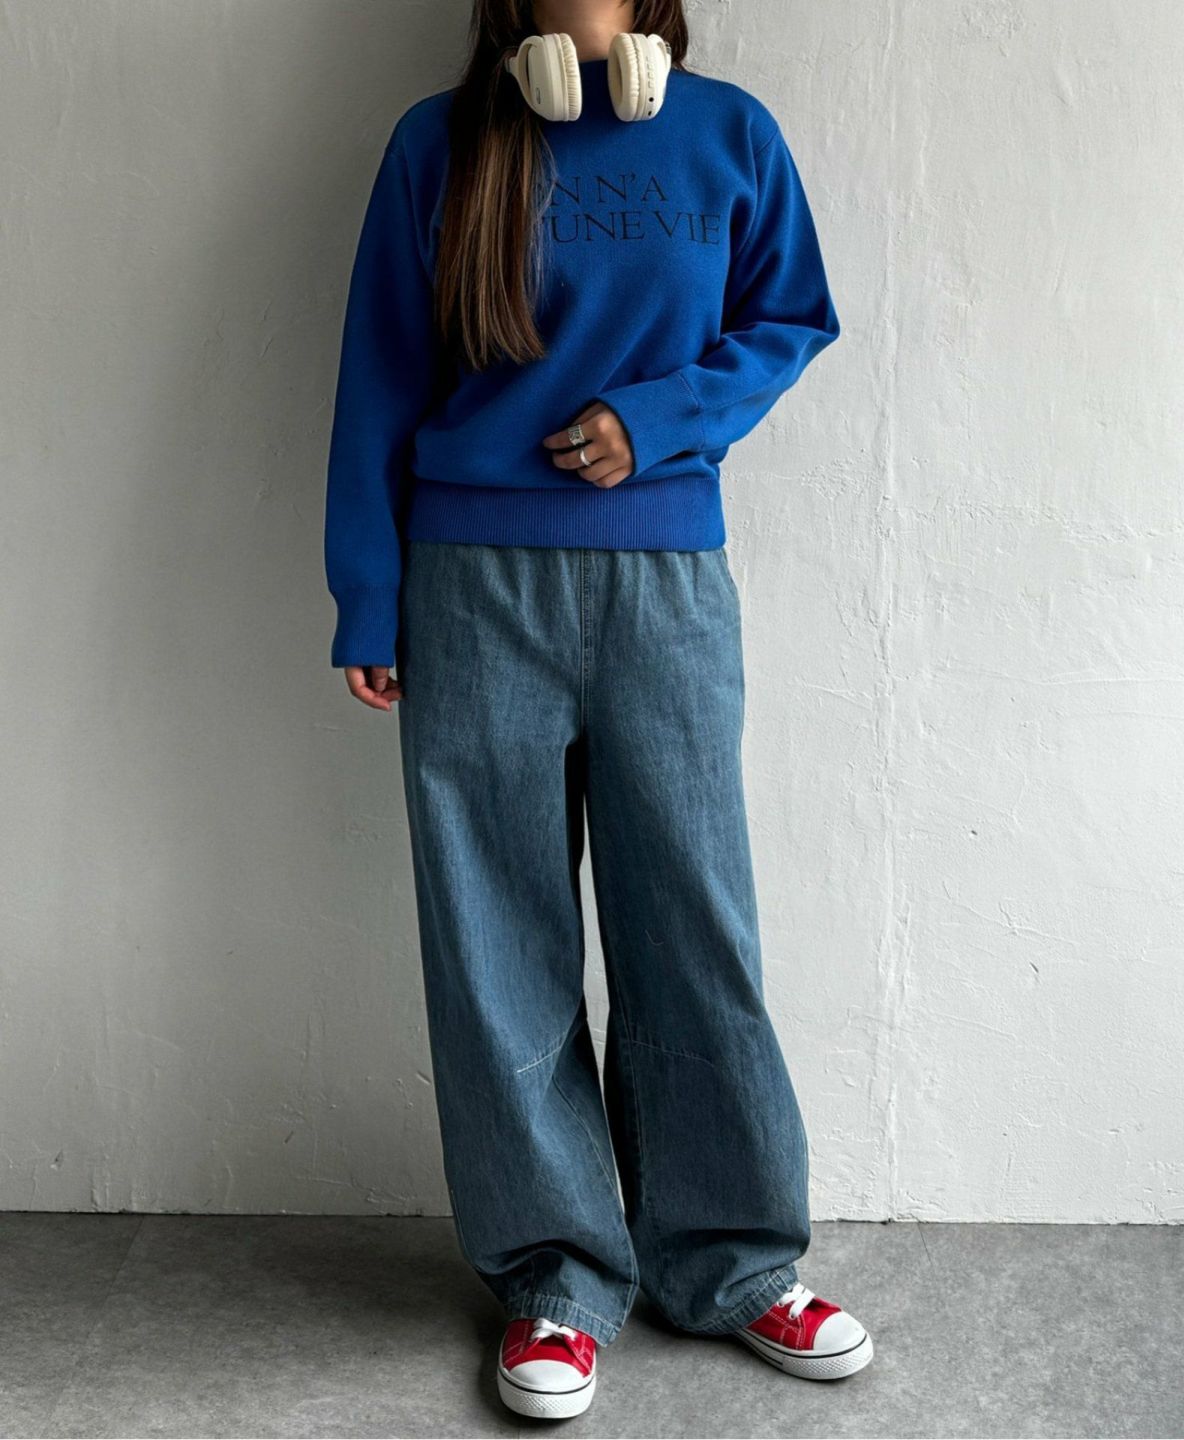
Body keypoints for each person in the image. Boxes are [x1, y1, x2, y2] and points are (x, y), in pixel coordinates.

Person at [323, 0, 872, 1419]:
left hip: (665, 585)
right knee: (497, 941)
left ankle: (733, 1260)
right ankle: (555, 1280)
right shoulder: (440, 145)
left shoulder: (729, 134)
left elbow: (792, 317)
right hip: (470, 589)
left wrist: (664, 419)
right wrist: (369, 595)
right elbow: (380, 373)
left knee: (694, 919)